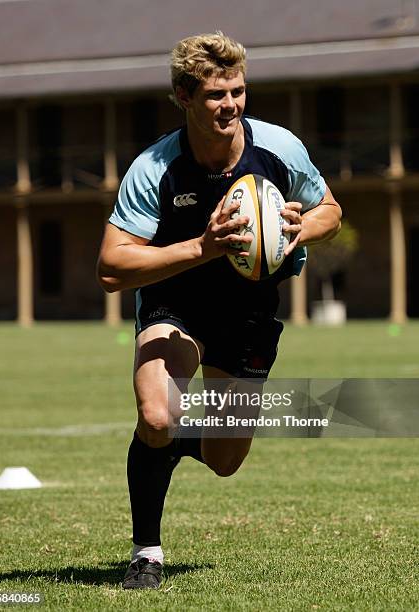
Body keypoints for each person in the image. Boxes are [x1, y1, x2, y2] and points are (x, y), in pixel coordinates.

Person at [97, 31, 342, 589]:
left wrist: (301, 226)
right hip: (174, 305)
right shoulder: (155, 167)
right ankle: (146, 552)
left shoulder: (279, 149)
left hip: (249, 312)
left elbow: (332, 209)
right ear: (184, 96)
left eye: (237, 90)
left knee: (225, 458)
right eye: (214, 94)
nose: (230, 104)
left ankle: (172, 443)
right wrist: (202, 248)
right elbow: (111, 267)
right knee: (157, 414)